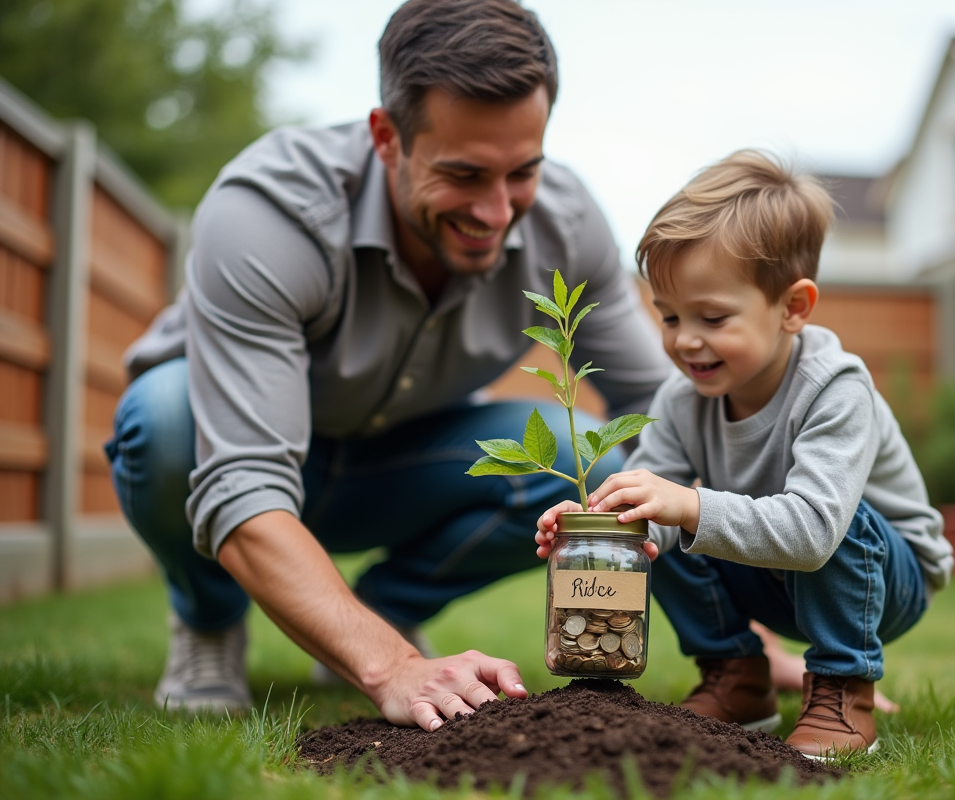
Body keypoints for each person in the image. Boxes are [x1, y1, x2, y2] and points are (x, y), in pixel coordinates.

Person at [106, 0, 671, 730]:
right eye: (464, 174)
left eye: (522, 171)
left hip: (405, 470)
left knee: (582, 458)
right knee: (163, 420)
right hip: (237, 455)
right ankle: (211, 623)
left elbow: (664, 412)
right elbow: (242, 478)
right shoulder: (271, 211)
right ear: (386, 137)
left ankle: (379, 611)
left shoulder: (565, 221)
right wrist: (393, 669)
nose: (498, 211)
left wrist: (734, 644)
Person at [535, 150, 954, 758]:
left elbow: (814, 533)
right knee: (647, 520)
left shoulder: (836, 388)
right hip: (777, 573)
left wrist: (688, 504)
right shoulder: (681, 400)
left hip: (881, 578)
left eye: (712, 316)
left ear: (792, 308)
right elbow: (659, 510)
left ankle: (843, 683)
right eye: (670, 316)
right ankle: (737, 675)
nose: (684, 340)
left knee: (828, 517)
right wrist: (594, 531)